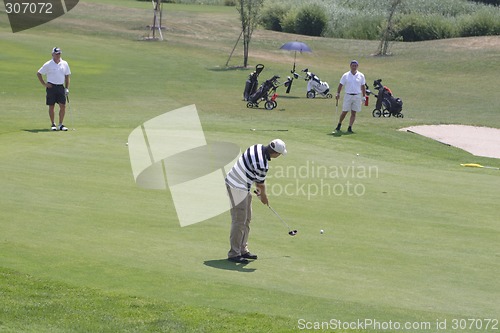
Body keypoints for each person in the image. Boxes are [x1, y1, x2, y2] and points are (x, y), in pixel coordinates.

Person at [225, 139, 287, 263]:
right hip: (236, 187)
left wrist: (259, 191)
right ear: (275, 153)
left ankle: (243, 249)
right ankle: (234, 254)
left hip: (242, 185)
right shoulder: (262, 164)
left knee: (247, 219)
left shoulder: (257, 147)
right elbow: (260, 186)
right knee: (239, 220)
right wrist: (264, 198)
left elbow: (250, 170)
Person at [37, 47, 71, 131]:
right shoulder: (48, 64)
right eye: (56, 54)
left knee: (63, 106)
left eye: (59, 53)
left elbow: (67, 76)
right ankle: (53, 124)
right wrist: (44, 84)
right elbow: (39, 73)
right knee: (51, 106)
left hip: (60, 87)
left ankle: (60, 124)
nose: (58, 55)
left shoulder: (64, 63)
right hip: (51, 87)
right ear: (52, 54)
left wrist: (66, 88)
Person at [334, 60, 366, 133]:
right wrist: (338, 93)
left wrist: (364, 96)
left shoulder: (361, 75)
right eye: (353, 66)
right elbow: (340, 85)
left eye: (355, 66)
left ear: (357, 66)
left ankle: (350, 127)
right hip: (348, 95)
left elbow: (363, 86)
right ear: (350, 66)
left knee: (354, 112)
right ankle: (339, 124)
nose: (354, 67)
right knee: (345, 111)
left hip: (357, 95)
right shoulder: (346, 75)